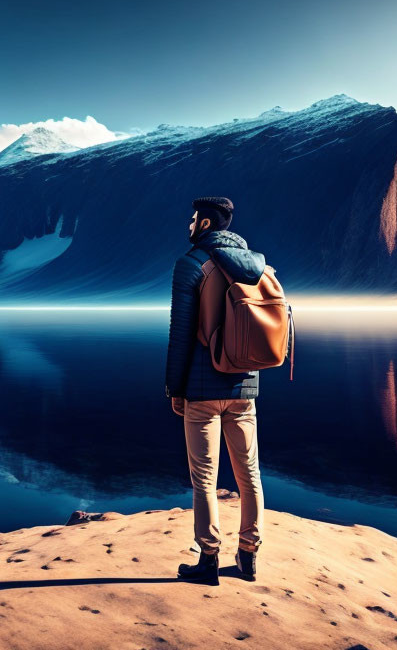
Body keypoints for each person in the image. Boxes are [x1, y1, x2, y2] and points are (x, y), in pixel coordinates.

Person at [165, 196, 265, 585]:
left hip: (202, 392)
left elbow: (181, 335)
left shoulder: (190, 264)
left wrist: (175, 387)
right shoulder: (257, 265)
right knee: (250, 475)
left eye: (193, 219)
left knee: (205, 479)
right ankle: (248, 557)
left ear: (206, 224)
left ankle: (208, 561)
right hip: (245, 387)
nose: (189, 225)